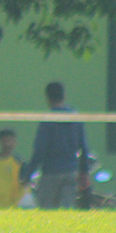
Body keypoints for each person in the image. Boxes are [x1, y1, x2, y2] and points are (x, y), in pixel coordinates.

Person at [21, 81, 90, 209]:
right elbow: (84, 148)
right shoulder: (75, 118)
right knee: (68, 211)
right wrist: (84, 172)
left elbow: (39, 150)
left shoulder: (48, 120)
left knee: (46, 211)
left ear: (48, 97)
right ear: (64, 96)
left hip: (50, 173)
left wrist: (28, 174)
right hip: (71, 171)